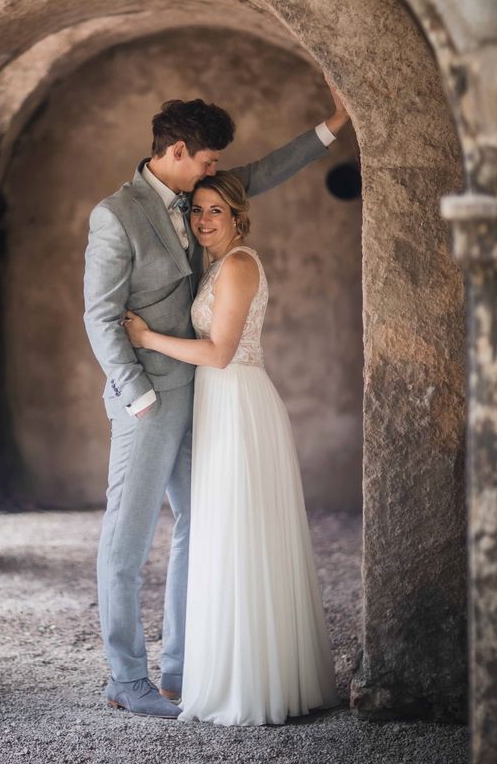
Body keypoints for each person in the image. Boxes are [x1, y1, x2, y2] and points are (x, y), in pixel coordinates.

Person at [83, 80, 348, 718]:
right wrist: (137, 394)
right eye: (209, 160)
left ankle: (178, 668)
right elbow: (99, 316)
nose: (218, 172)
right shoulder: (115, 215)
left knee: (199, 530)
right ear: (178, 150)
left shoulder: (204, 200)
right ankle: (126, 677)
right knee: (128, 538)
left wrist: (334, 124)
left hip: (204, 395)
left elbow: (265, 170)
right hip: (148, 400)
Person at [122, 173, 339, 725]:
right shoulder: (215, 266)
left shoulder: (240, 265)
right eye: (197, 210)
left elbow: (219, 353)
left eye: (216, 210)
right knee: (224, 535)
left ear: (238, 216)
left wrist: (145, 338)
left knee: (240, 536)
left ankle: (253, 683)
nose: (204, 219)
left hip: (239, 403)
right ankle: (223, 668)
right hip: (216, 407)